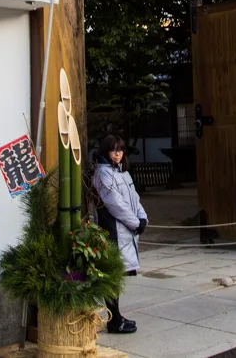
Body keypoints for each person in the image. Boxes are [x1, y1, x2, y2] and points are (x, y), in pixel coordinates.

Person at [93, 135, 148, 334]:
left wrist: (143, 218)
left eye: (120, 150)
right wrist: (135, 222)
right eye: (113, 150)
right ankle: (113, 320)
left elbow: (134, 198)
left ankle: (116, 315)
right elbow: (114, 203)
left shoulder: (123, 173)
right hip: (113, 229)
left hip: (126, 228)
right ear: (106, 151)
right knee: (112, 274)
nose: (117, 154)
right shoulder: (103, 173)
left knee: (118, 274)